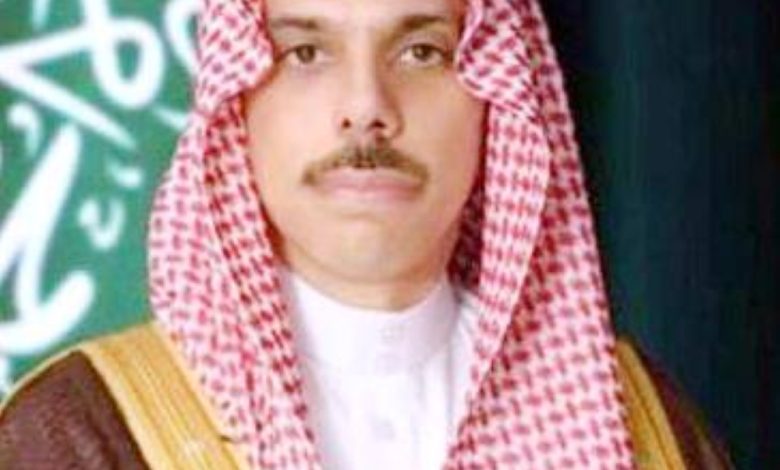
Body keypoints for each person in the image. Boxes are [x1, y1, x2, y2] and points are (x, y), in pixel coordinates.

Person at [0, 0, 732, 468]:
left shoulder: (643, 426)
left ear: (495, 99)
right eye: (305, 53)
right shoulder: (79, 435)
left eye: (421, 52)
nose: (366, 107)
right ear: (238, 101)